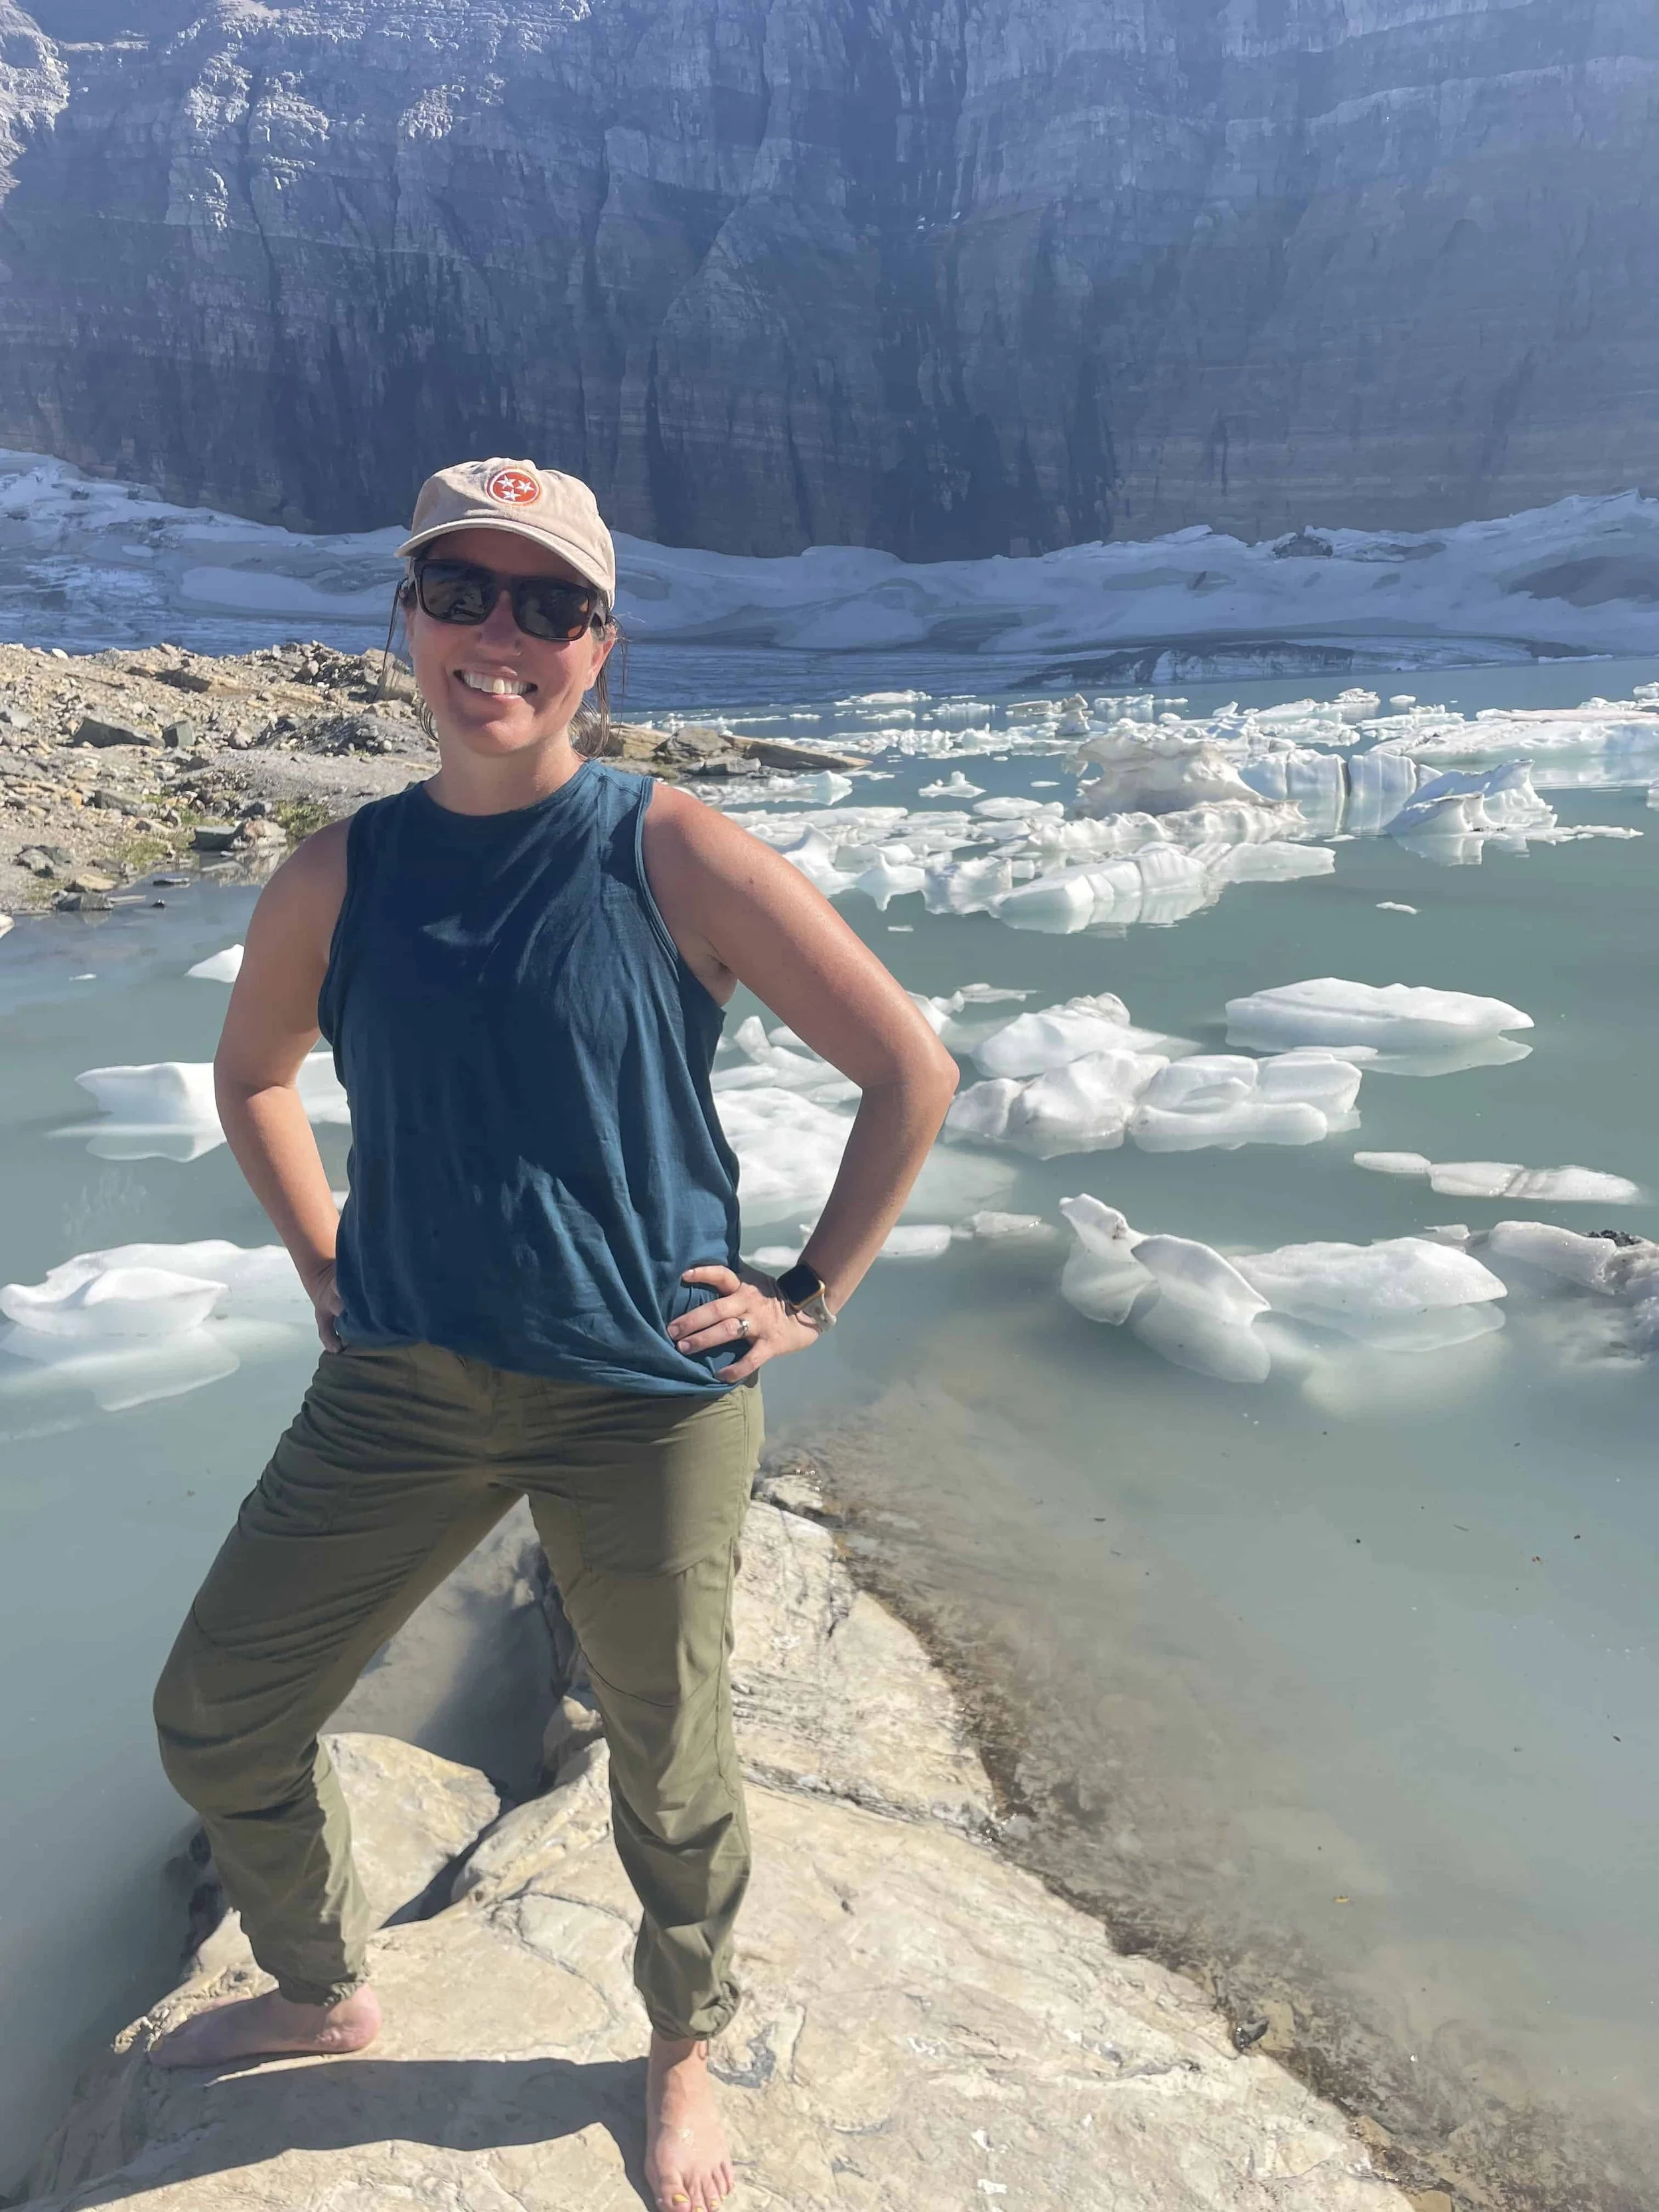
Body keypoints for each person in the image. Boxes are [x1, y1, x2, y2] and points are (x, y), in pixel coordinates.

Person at [147, 457, 959, 2212]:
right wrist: (319, 1254)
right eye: (461, 590)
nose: (495, 637)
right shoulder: (339, 871)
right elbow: (254, 1074)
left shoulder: (672, 847)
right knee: (221, 1708)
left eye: (547, 605)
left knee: (669, 1753)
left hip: (642, 1399)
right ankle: (320, 1983)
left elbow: (910, 1068)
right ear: (410, 613)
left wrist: (807, 1293)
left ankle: (676, 2047)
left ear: (601, 645)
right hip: (403, 1383)